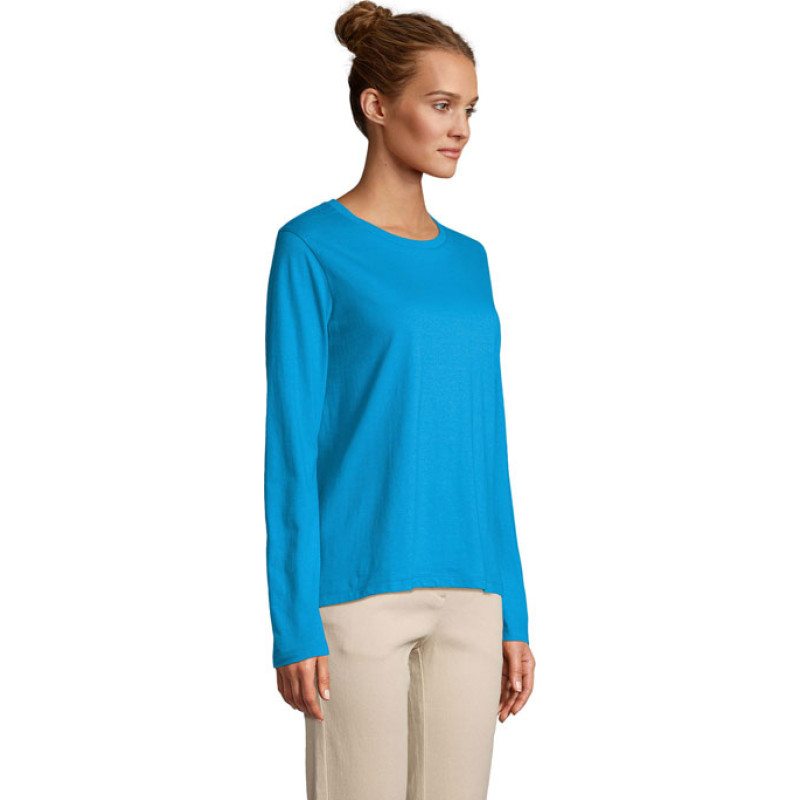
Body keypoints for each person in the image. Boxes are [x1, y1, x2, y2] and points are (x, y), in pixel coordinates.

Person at [264, 2, 536, 797]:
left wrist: (513, 610)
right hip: (358, 591)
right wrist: (293, 620)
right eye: (442, 104)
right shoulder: (311, 248)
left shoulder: (470, 261)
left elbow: (486, 444)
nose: (461, 129)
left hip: (472, 594)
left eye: (470, 110)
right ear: (377, 105)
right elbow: (292, 445)